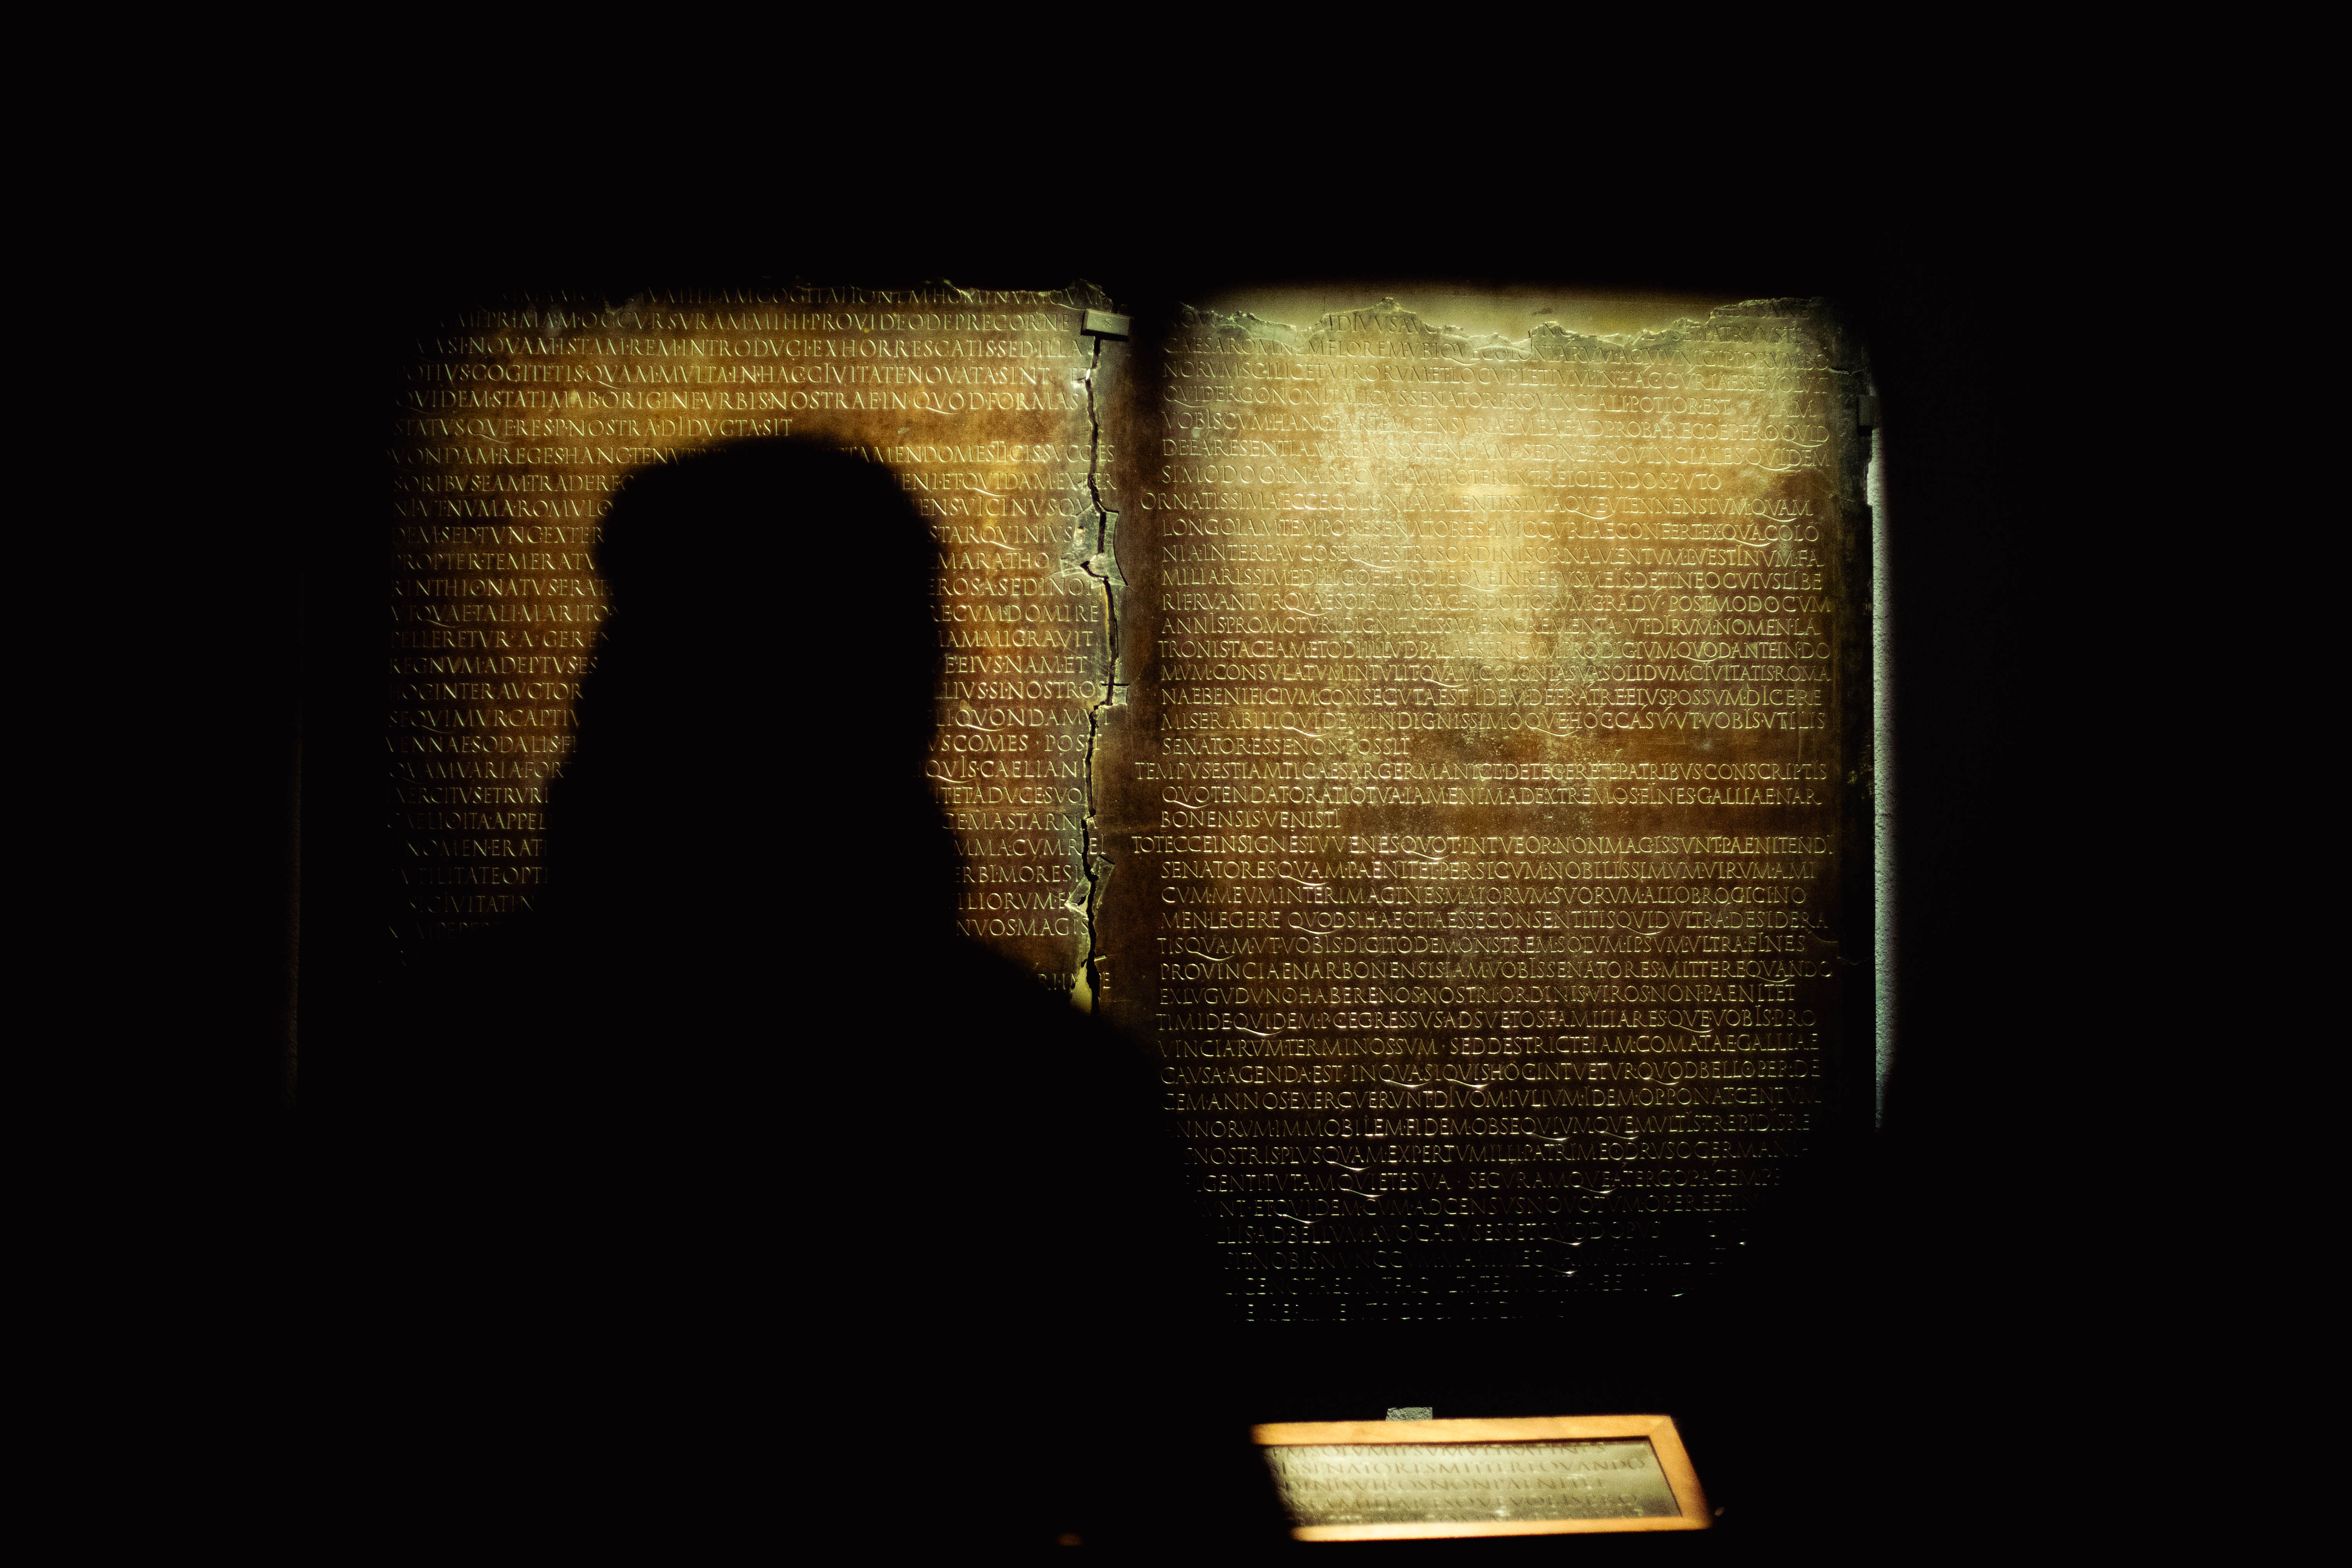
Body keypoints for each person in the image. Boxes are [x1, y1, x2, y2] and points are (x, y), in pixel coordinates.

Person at [368, 440, 1285, 1547]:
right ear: (907, 696)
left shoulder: (449, 1055)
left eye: (622, 641)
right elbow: (1194, 1504)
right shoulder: (1035, 1088)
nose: (594, 680)